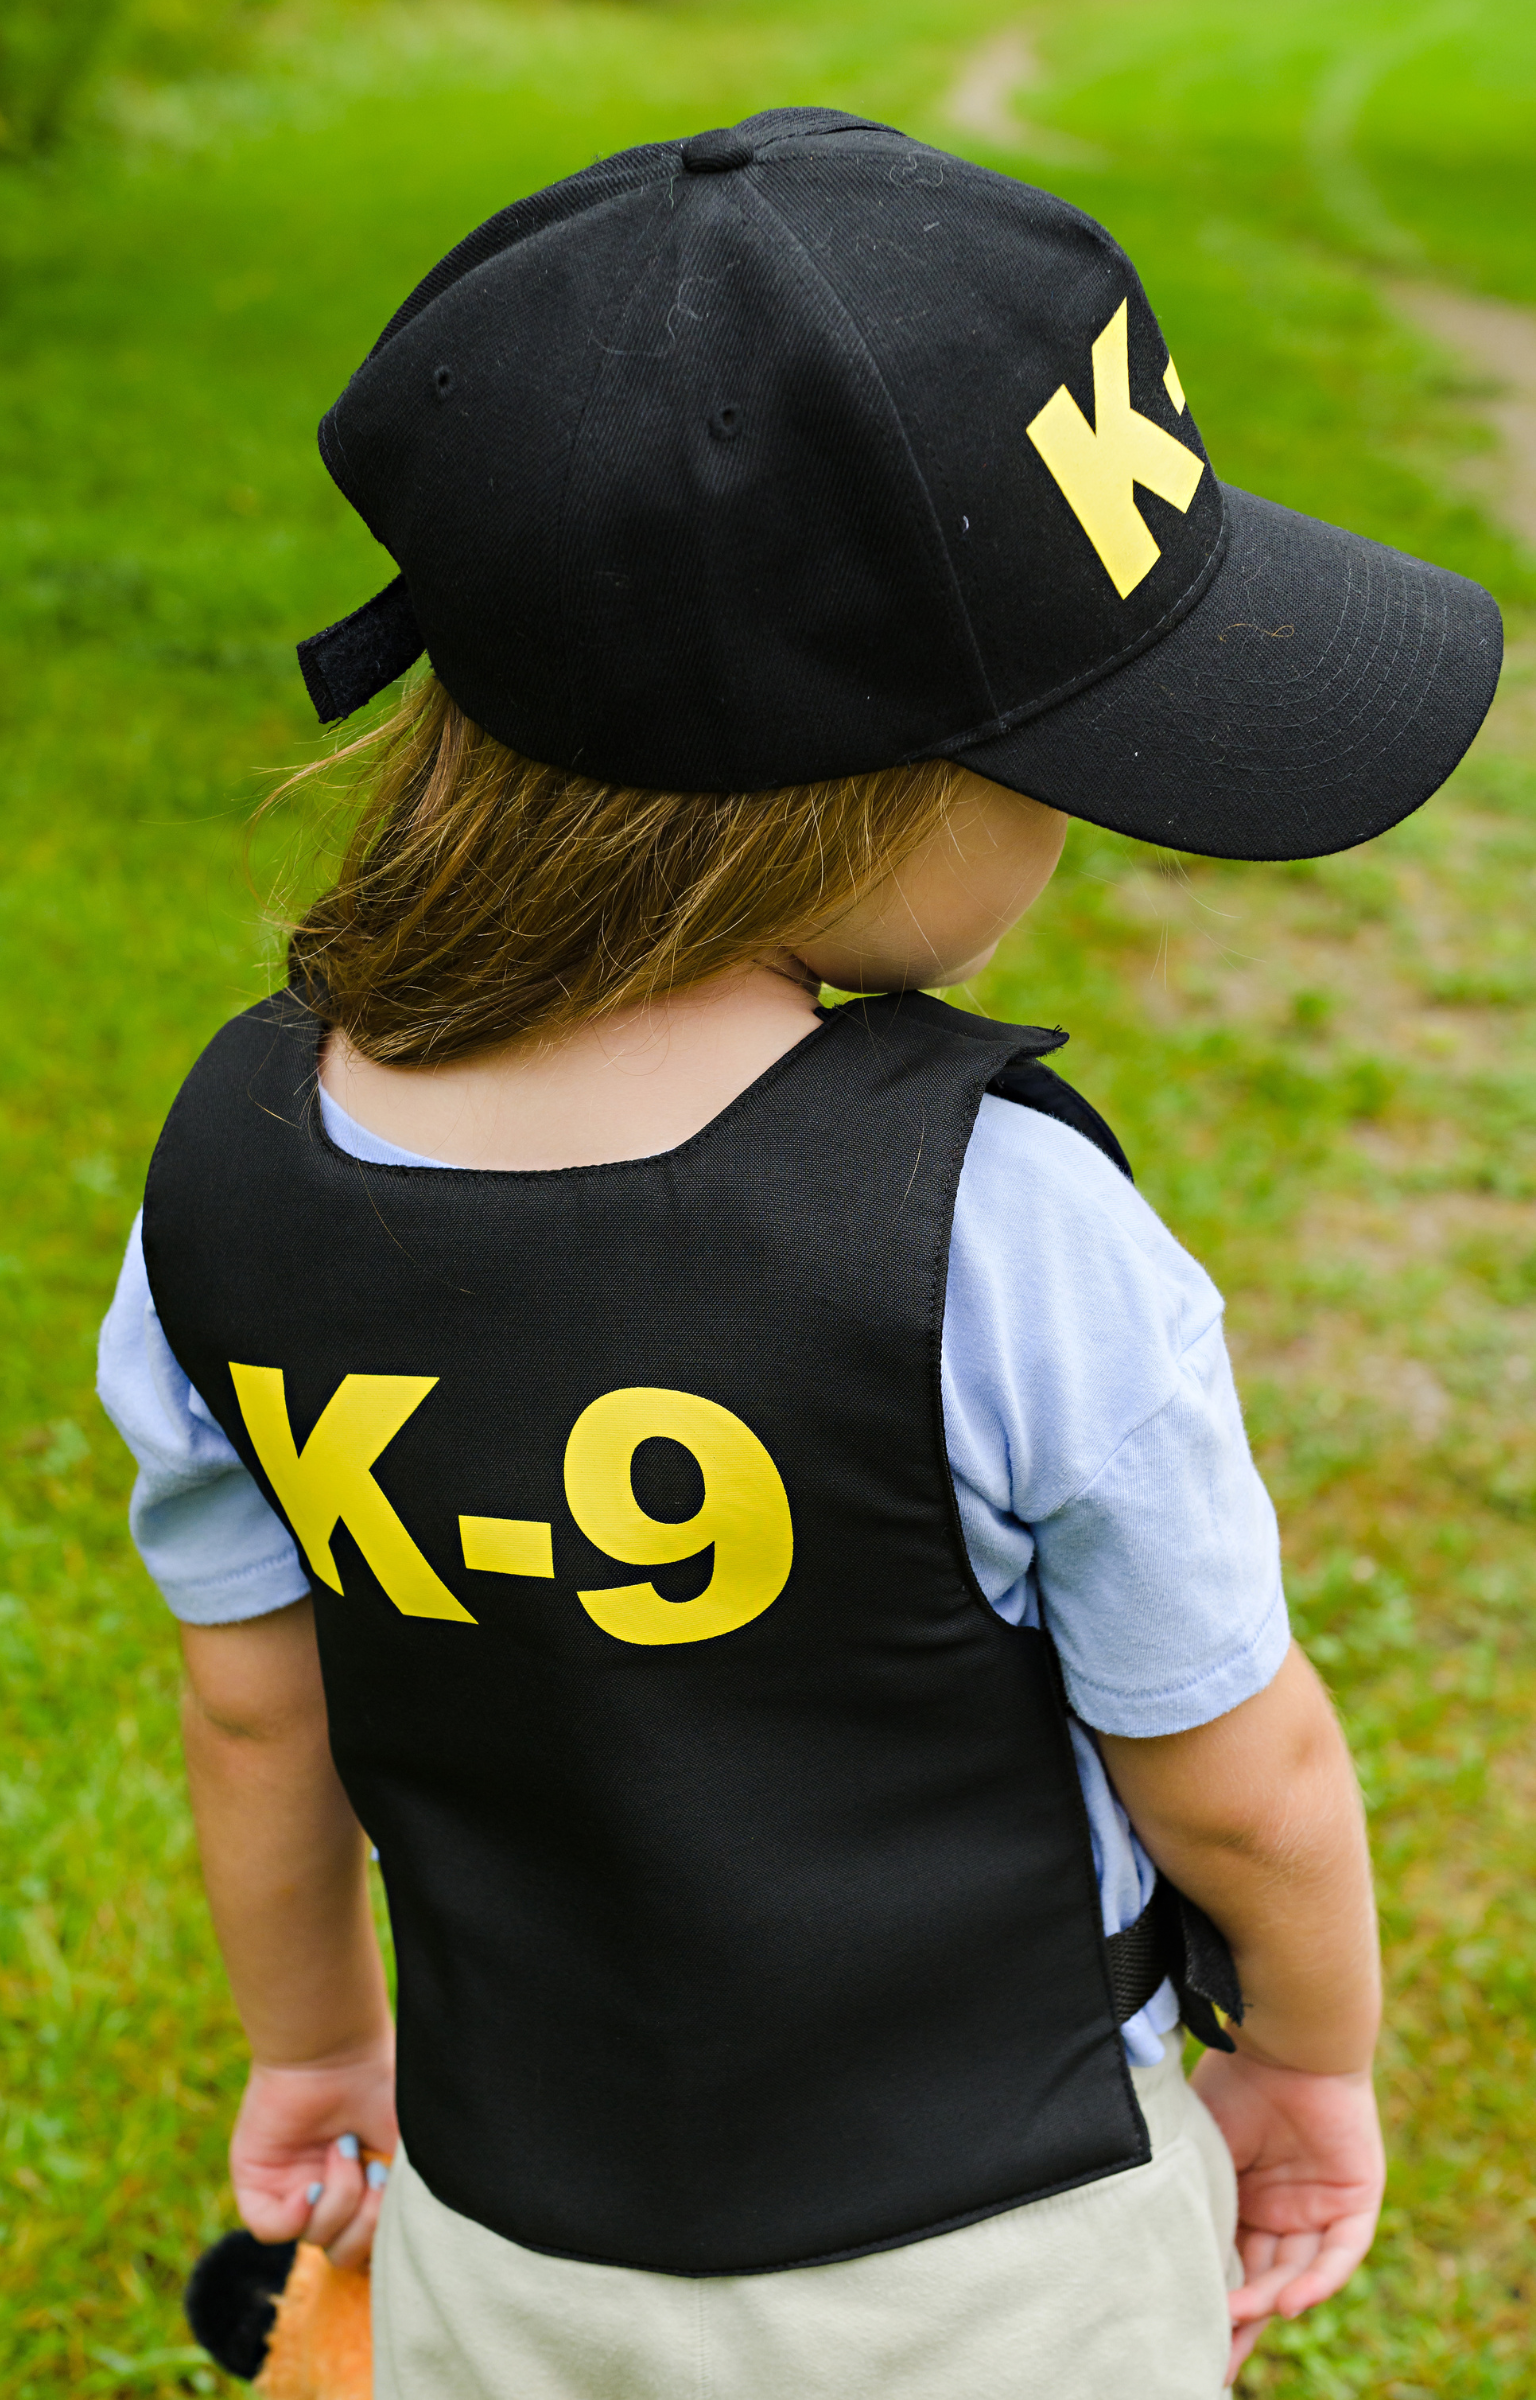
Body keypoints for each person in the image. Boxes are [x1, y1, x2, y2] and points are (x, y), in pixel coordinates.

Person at [98, 108, 1500, 2398]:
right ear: (852, 788)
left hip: (501, 2221)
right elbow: (1238, 1772)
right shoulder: (1002, 1227)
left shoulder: (226, 1181)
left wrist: (318, 2049)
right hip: (998, 2255)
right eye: (1052, 755)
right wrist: (1307, 2069)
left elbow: (259, 1708)